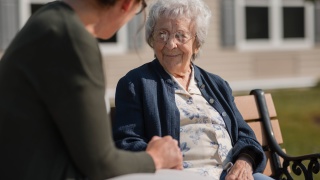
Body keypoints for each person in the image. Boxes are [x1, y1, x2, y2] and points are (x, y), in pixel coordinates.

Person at [0, 0, 184, 179]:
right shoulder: (72, 38)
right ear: (126, 4)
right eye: (140, 8)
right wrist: (156, 158)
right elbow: (101, 163)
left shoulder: (48, 19)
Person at [112, 0, 274, 179]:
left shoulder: (217, 84)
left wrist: (245, 161)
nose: (171, 44)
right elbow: (127, 143)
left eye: (180, 35)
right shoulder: (136, 83)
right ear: (152, 39)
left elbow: (246, 136)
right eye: (162, 34)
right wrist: (161, 160)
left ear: (196, 43)